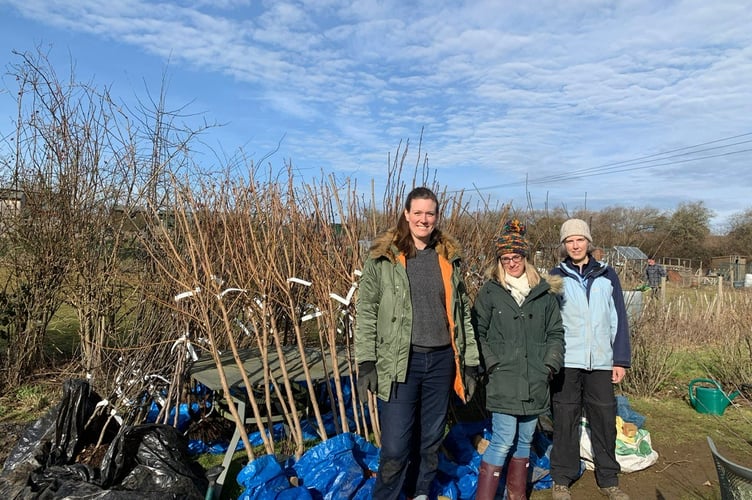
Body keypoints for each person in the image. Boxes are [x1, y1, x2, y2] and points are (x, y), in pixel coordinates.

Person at [354, 186, 480, 500]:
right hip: (400, 362)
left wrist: (470, 361)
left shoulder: (448, 259)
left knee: (430, 440)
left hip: (440, 362)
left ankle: (420, 491)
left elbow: (461, 312)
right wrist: (366, 361)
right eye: (418, 213)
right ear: (407, 214)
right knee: (396, 446)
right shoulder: (384, 258)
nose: (424, 219)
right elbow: (367, 309)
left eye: (430, 213)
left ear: (436, 217)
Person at [473, 220, 565, 500]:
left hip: (536, 379)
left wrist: (549, 366)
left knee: (525, 440)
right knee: (502, 441)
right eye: (505, 259)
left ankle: (517, 494)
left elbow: (555, 333)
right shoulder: (491, 292)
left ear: (526, 258)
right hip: (503, 379)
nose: (511, 263)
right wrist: (493, 364)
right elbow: (478, 332)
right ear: (499, 261)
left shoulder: (544, 294)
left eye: (516, 257)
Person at [549, 219, 631, 500]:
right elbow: (548, 322)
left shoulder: (608, 276)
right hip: (567, 361)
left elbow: (619, 319)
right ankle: (561, 478)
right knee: (564, 418)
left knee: (605, 419)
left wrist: (619, 360)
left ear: (588, 243)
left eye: (580, 239)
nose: (575, 245)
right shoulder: (554, 276)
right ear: (564, 245)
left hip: (601, 361)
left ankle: (608, 479)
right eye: (569, 240)